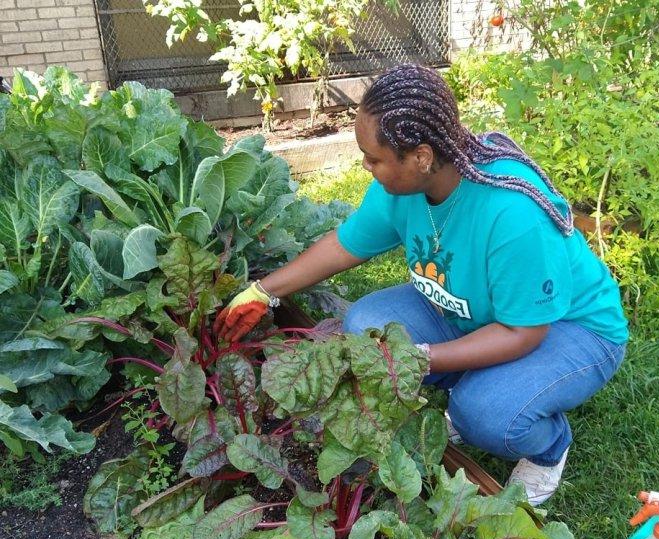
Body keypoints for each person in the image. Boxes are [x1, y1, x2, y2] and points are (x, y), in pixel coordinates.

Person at [215, 64, 628, 506]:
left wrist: (419, 359)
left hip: (570, 328)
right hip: (474, 311)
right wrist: (264, 291)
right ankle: (480, 382)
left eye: (374, 158)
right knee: (366, 323)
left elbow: (523, 331)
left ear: (422, 157)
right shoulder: (402, 190)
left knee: (484, 412)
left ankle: (548, 447)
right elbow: (344, 245)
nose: (366, 166)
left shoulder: (512, 214)